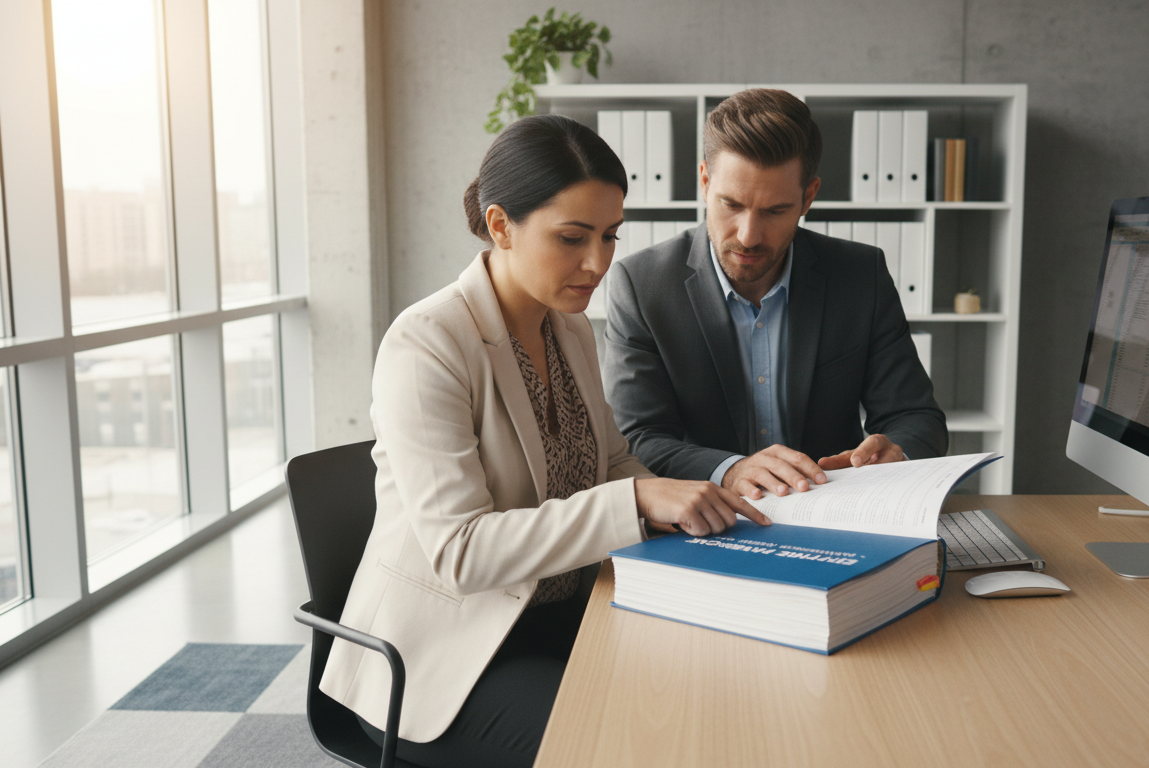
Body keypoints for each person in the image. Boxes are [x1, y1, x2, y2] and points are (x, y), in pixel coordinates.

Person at [320, 114, 769, 768]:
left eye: (610, 236)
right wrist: (638, 501)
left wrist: (701, 505)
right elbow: (462, 552)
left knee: (718, 696)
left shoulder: (571, 328)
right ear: (501, 226)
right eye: (571, 237)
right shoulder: (427, 343)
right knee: (627, 748)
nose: (599, 263)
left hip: (566, 612)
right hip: (450, 654)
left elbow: (611, 461)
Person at [602, 89, 948, 501]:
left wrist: (898, 453)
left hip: (833, 512)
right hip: (706, 519)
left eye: (774, 211)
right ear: (705, 181)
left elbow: (916, 417)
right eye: (731, 204)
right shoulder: (640, 285)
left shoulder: (861, 276)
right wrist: (730, 471)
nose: (748, 236)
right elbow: (637, 439)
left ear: (808, 197)